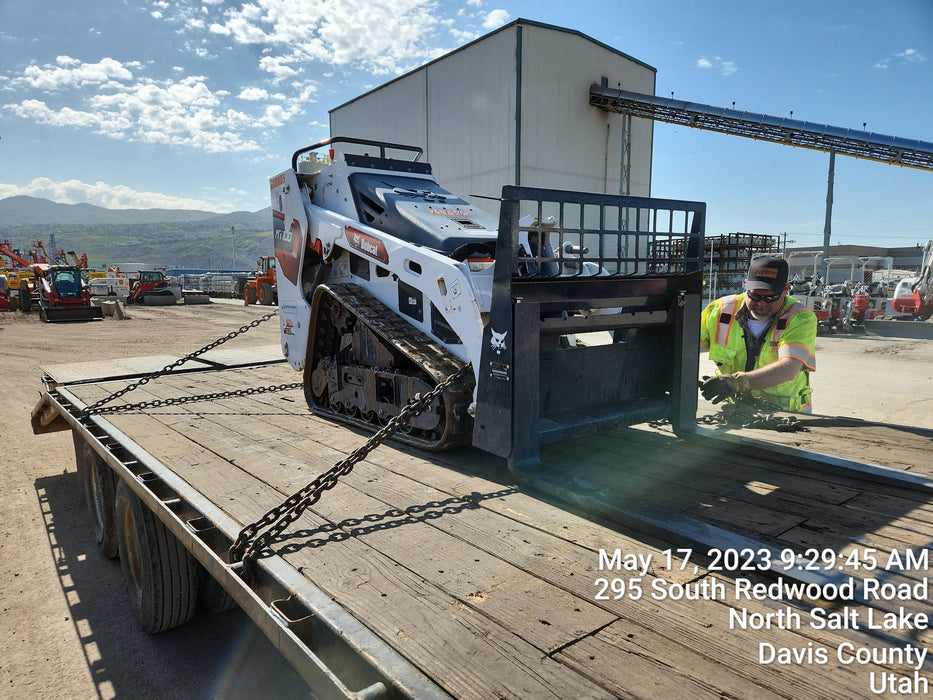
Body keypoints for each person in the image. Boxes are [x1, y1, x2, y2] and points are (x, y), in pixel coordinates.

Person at [699, 255, 817, 413]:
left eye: (770, 297)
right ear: (745, 285)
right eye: (754, 296)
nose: (761, 303)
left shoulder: (800, 317)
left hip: (784, 412)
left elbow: (789, 368)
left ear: (786, 289)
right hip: (734, 409)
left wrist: (738, 382)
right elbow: (687, 348)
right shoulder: (720, 311)